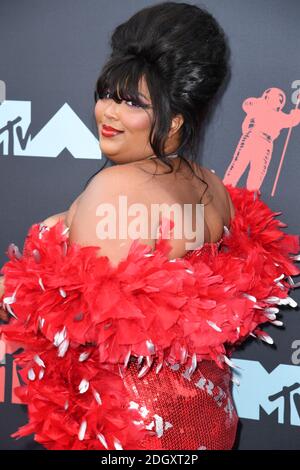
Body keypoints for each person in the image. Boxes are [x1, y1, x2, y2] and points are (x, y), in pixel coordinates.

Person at [0, 2, 299, 450]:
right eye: (108, 94)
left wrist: (20, 288)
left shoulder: (112, 188)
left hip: (128, 427)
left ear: (175, 119)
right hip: (209, 415)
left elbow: (80, 329)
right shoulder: (211, 186)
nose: (108, 113)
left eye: (131, 103)